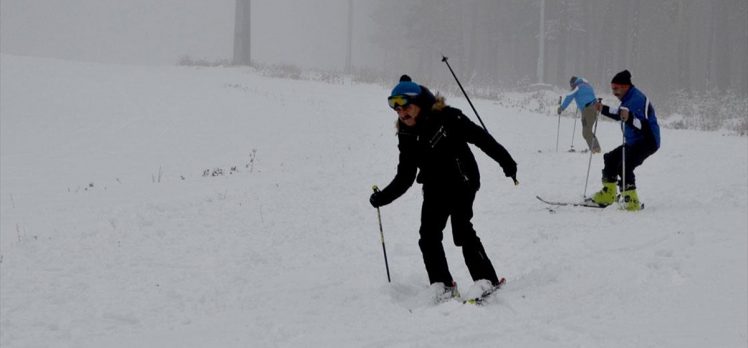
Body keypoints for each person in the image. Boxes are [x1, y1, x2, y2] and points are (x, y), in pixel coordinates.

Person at [369, 75, 517, 300]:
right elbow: (406, 174)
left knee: (462, 230)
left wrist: (506, 162)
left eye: (405, 107)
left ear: (419, 102)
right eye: (395, 109)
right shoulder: (406, 133)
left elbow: (481, 138)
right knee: (428, 235)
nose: (401, 113)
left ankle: (486, 279)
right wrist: (384, 197)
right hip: (434, 185)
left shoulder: (448, 117)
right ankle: (443, 284)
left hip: (463, 179)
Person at [591, 70, 660, 211]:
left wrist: (628, 118)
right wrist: (602, 109)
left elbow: (642, 126)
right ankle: (609, 194)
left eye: (616, 89)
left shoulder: (637, 100)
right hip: (634, 141)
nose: (614, 92)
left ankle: (631, 200)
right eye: (612, 89)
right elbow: (620, 114)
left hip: (648, 141)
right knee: (610, 158)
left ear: (625, 86)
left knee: (625, 165)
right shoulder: (628, 98)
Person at [558, 76, 601, 153]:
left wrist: (561, 108)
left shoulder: (576, 87)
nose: (571, 87)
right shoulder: (588, 86)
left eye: (571, 85)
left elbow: (569, 97)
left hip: (587, 110)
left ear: (573, 83)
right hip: (594, 109)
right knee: (587, 131)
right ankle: (596, 147)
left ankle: (595, 149)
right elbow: (590, 97)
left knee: (586, 132)